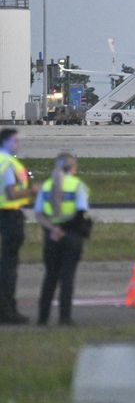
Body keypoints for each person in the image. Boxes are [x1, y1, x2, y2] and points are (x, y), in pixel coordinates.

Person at [34, 153, 89, 326]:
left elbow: (38, 214)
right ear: (73, 168)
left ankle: (42, 318)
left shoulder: (46, 186)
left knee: (50, 276)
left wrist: (53, 229)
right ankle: (64, 318)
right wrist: (64, 230)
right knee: (67, 277)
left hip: (51, 236)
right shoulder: (77, 185)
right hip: (71, 235)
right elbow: (80, 213)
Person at [0, 129, 39, 325]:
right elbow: (11, 193)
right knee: (8, 266)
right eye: (15, 141)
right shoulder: (7, 163)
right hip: (8, 215)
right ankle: (7, 312)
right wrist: (31, 191)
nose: (18, 144)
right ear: (6, 142)